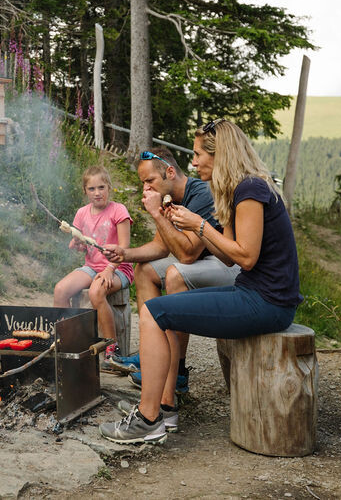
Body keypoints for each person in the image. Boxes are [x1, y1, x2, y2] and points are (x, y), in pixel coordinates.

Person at [99, 119, 302, 444]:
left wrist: (199, 226)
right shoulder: (237, 190)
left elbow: (246, 257)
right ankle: (160, 407)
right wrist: (192, 226)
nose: (192, 163)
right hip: (255, 294)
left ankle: (150, 419)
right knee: (158, 309)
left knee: (153, 312)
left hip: (267, 302)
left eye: (197, 155)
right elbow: (227, 257)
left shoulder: (251, 189)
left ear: (219, 154)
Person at [102, 147, 240, 393]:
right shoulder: (170, 196)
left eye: (150, 181)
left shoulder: (201, 195)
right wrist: (125, 254)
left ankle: (177, 372)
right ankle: (149, 356)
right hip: (203, 262)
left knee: (176, 274)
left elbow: (187, 254)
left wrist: (156, 213)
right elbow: (160, 247)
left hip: (227, 264)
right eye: (143, 183)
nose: (147, 188)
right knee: (144, 270)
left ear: (169, 172)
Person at [52, 166, 133, 367]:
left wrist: (109, 269)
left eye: (101, 187)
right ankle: (70, 339)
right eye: (92, 189)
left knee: (97, 291)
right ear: (85, 191)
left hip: (119, 268)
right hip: (92, 266)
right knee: (60, 290)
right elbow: (78, 246)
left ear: (109, 187)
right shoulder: (81, 213)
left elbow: (124, 248)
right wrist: (77, 245)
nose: (97, 193)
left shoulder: (118, 210)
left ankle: (111, 348)